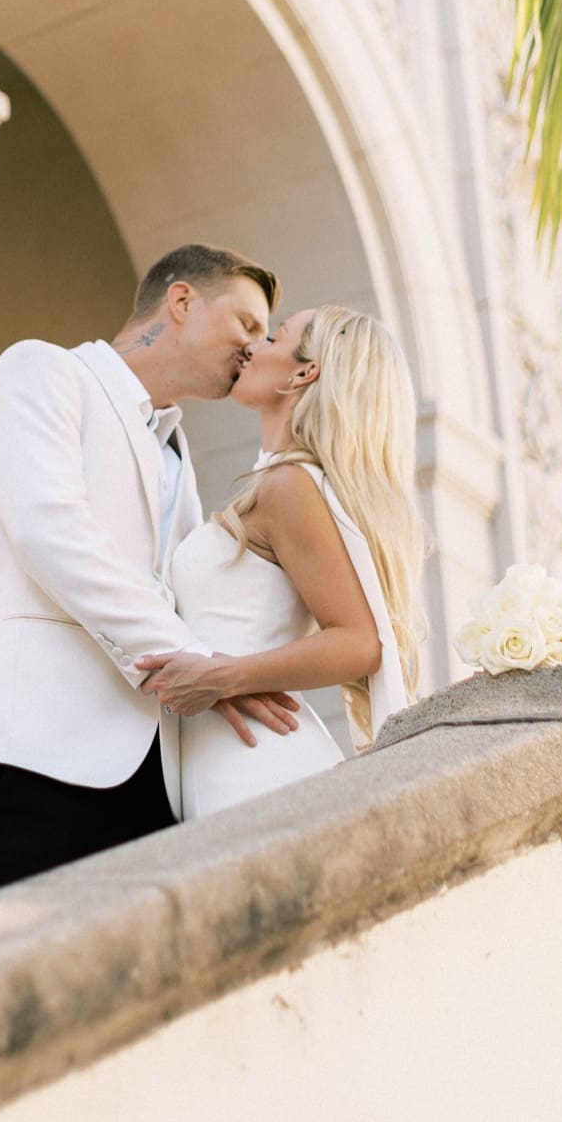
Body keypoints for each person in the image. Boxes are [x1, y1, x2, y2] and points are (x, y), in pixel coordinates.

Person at [0, 244, 296, 899]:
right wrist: (197, 660)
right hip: (38, 750)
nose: (258, 345)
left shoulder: (178, 454)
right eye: (247, 323)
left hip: (156, 779)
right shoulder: (41, 370)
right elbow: (52, 532)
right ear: (182, 301)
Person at [138, 305, 426, 819]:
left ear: (302, 371)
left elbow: (360, 642)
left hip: (259, 767)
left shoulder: (289, 485)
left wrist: (224, 677)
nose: (253, 345)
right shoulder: (277, 483)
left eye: (275, 335)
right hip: (224, 762)